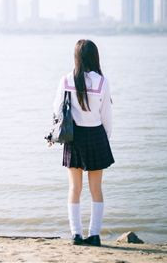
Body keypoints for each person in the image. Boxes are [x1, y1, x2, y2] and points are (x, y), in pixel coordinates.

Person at [52, 39, 115, 247]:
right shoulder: (102, 82)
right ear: (95, 57)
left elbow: (57, 111)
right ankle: (94, 235)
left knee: (74, 188)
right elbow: (107, 115)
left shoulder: (66, 80)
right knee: (96, 188)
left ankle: (76, 235)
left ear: (76, 58)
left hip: (74, 138)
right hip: (96, 135)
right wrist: (105, 138)